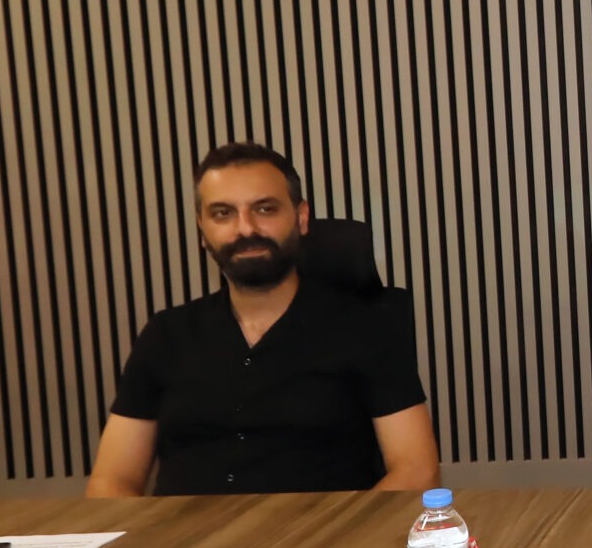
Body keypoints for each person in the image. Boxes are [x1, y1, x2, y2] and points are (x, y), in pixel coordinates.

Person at [87, 143, 440, 496]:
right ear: (202, 229)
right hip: (184, 530)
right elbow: (111, 480)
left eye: (265, 209)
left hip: (325, 528)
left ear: (301, 217)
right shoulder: (166, 335)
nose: (246, 229)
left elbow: (417, 472)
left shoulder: (365, 328)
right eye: (223, 213)